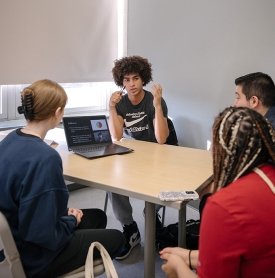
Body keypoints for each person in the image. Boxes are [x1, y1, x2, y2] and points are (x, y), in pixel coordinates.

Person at [0, 79, 124, 278]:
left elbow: (30, 203)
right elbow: (44, 235)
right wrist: (70, 220)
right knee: (118, 238)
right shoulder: (45, 158)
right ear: (58, 112)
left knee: (97, 216)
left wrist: (63, 214)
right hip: (35, 255)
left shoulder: (10, 139)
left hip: (13, 238)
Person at [160, 106, 275, 278]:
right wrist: (190, 256)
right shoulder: (268, 178)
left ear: (221, 151)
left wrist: (177, 267)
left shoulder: (223, 207)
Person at [108, 55, 170, 260]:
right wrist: (110, 108)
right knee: (113, 183)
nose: (131, 84)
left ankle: (151, 216)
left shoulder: (154, 102)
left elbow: (161, 140)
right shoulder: (121, 104)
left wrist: (159, 105)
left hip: (157, 155)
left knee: (161, 182)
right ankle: (130, 228)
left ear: (143, 79)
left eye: (135, 78)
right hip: (134, 155)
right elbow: (116, 136)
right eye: (126, 80)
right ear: (121, 82)